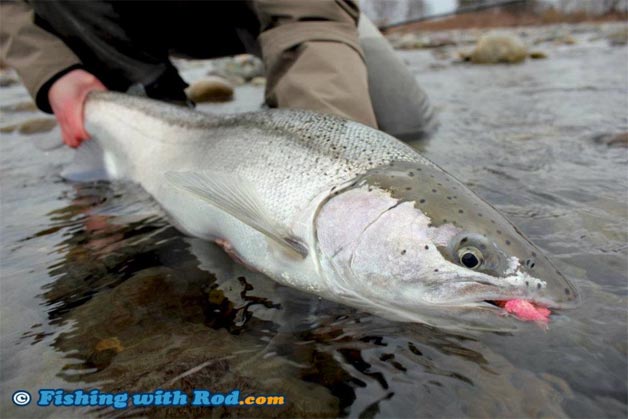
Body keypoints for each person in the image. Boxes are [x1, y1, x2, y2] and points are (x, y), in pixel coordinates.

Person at [0, 0, 379, 147]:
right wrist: (54, 71)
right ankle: (144, 104)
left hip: (278, 17)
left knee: (399, 127)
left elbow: (310, 19)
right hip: (119, 25)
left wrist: (331, 149)